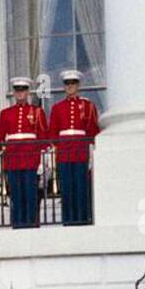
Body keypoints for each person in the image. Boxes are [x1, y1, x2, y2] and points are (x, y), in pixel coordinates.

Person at [49, 70, 99, 225]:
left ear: (78, 86)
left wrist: (91, 154)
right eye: (67, 84)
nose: (70, 87)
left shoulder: (88, 106)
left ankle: (82, 219)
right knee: (67, 188)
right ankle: (68, 220)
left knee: (81, 187)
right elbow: (53, 133)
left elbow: (92, 131)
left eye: (73, 83)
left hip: (81, 151)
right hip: (65, 152)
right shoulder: (57, 108)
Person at [0, 76, 49, 228]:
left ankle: (31, 223)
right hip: (13, 159)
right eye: (17, 90)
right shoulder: (6, 113)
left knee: (30, 193)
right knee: (16, 193)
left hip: (31, 158)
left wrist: (42, 161)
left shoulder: (37, 112)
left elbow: (43, 138)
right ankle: (18, 224)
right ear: (14, 93)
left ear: (28, 93)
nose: (20, 94)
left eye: (23, 90)